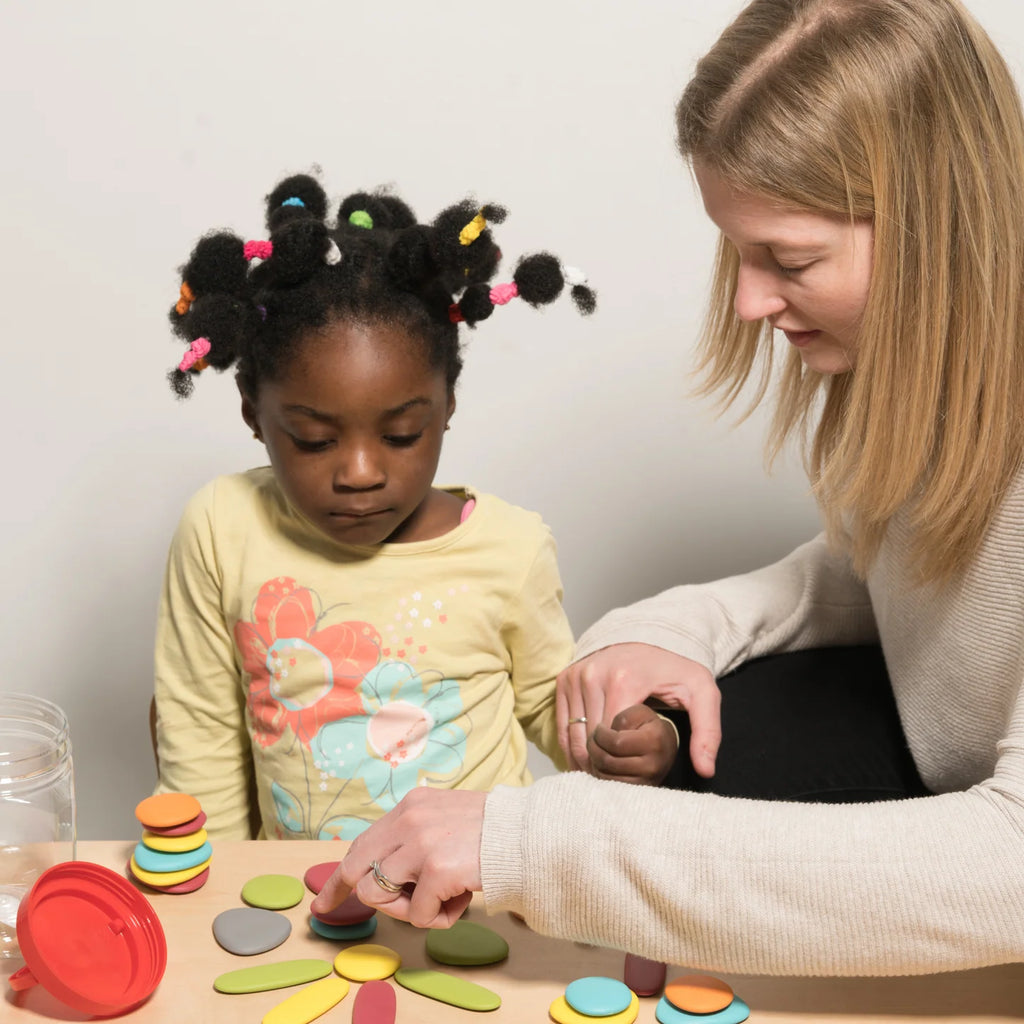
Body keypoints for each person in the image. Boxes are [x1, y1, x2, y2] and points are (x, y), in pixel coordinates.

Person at [312, 0, 1024, 977]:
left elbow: (1011, 866)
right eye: (736, 251)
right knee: (679, 743)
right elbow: (904, 577)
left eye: (789, 258)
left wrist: (525, 843)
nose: (748, 301)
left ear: (938, 226)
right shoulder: (927, 370)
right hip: (936, 749)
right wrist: (670, 632)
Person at [151, 172, 679, 843]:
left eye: (401, 435)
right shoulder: (223, 527)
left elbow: (556, 706)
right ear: (254, 413)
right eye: (314, 440)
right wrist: (218, 900)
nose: (361, 473)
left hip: (478, 910)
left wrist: (626, 741)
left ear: (447, 405)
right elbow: (203, 732)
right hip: (299, 913)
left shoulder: (509, 548)